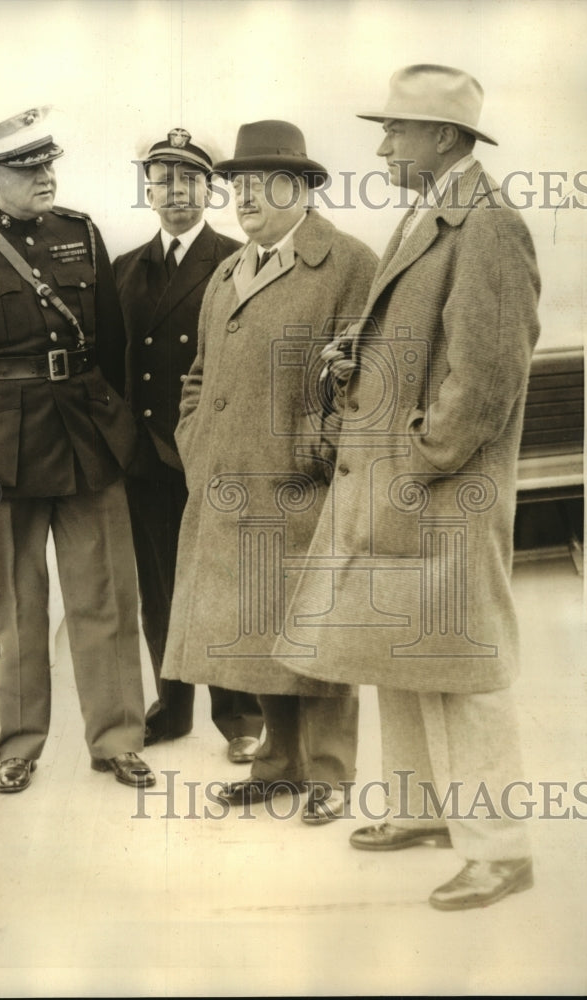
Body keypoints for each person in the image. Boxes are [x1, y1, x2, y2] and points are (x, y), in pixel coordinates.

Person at [277, 66, 541, 906]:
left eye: (396, 130)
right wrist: (358, 350)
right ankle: (425, 810)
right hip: (400, 490)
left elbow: (488, 375)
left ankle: (501, 849)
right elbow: (423, 335)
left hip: (439, 493)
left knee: (460, 665)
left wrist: (423, 459)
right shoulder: (430, 213)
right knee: (397, 650)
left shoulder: (488, 226)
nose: (382, 145)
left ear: (444, 138)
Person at [0, 106, 155, 794]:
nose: (46, 176)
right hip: (1, 451)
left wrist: (111, 424)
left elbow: (110, 343)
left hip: (86, 440)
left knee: (105, 594)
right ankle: (19, 746)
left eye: (49, 164)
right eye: (28, 168)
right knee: (17, 604)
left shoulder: (80, 234)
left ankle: (117, 741)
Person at [160, 120, 378, 823]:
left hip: (305, 484)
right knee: (264, 626)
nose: (242, 198)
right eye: (237, 185)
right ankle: (279, 765)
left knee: (319, 631)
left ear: (304, 187)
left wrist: (321, 449)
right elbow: (195, 379)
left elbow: (370, 380)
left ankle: (331, 775)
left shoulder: (349, 263)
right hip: (229, 481)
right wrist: (196, 443)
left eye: (260, 184)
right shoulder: (228, 271)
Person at [114, 129, 264, 763]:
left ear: (211, 189)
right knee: (158, 586)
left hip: (212, 451)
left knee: (222, 581)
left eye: (189, 180)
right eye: (163, 179)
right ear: (147, 189)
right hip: (145, 457)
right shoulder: (121, 270)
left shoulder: (237, 260)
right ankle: (171, 708)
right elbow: (111, 366)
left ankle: (240, 715)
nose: (175, 192)